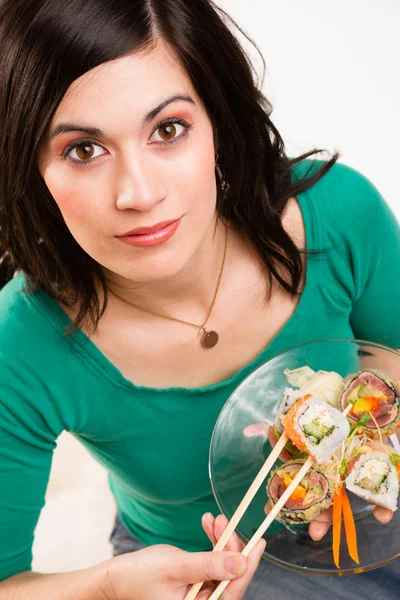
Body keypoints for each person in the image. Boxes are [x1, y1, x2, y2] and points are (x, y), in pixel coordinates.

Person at [0, 0, 399, 598]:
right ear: (29, 169)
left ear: (218, 125)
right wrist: (109, 586)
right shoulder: (20, 341)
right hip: (191, 564)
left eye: (168, 129)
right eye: (83, 149)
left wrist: (368, 441)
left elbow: (392, 353)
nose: (139, 193)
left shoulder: (336, 216)